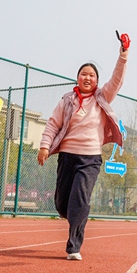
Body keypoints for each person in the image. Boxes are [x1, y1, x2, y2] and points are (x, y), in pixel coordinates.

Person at [38, 32, 129, 260]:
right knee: (62, 204)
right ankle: (76, 214)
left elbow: (117, 79)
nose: (87, 78)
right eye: (83, 74)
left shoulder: (103, 97)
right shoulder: (67, 100)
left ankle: (74, 247)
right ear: (77, 78)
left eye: (91, 75)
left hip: (90, 158)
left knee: (79, 199)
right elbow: (53, 124)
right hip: (67, 156)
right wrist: (44, 146)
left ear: (96, 81)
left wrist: (123, 54)